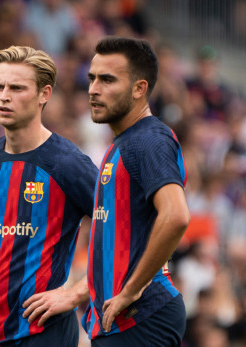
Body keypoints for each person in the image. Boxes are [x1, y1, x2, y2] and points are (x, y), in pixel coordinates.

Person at [0, 45, 97, 346]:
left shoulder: (67, 163)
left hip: (42, 333)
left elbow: (124, 229)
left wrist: (75, 294)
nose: (4, 96)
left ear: (44, 94)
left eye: (17, 88)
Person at [82, 36, 191, 346]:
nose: (93, 89)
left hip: (141, 316)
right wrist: (78, 291)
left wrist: (129, 291)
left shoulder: (148, 140)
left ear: (139, 88)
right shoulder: (123, 144)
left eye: (107, 80)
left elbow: (176, 215)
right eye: (92, 78)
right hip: (121, 320)